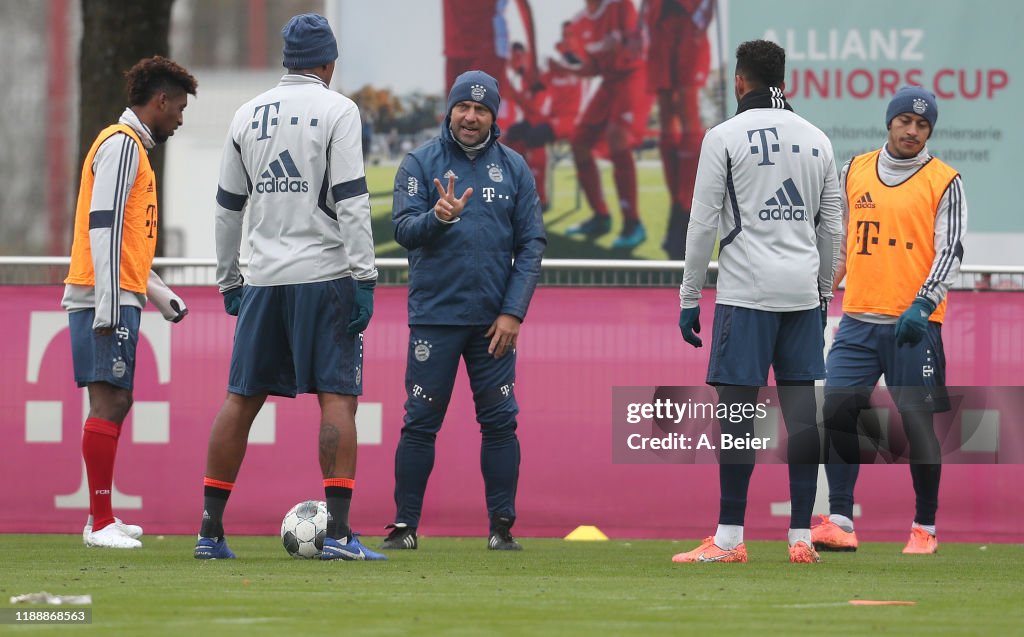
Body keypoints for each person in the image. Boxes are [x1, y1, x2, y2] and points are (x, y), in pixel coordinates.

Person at [194, 13, 384, 561]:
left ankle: (209, 532)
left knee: (239, 401)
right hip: (326, 274)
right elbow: (350, 198)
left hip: (263, 278)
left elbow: (228, 206)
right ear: (328, 63)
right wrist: (366, 277)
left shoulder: (246, 113)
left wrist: (229, 278)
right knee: (337, 399)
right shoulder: (338, 109)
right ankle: (342, 537)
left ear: (287, 60)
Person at [674, 40, 842, 564]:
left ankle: (729, 539)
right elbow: (832, 226)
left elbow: (702, 224)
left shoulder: (723, 136)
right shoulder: (817, 139)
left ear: (740, 82)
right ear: (782, 79)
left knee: (739, 417)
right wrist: (820, 294)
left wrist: (688, 296)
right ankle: (798, 537)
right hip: (801, 296)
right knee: (801, 419)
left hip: (746, 295)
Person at [383, 70, 546, 551]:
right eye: (463, 108)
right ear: (448, 110)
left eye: (481, 110)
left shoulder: (514, 168)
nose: (471, 117)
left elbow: (532, 243)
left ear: (494, 116)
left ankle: (501, 528)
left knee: (500, 423)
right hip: (435, 317)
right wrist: (437, 216)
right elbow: (403, 230)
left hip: (494, 324)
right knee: (419, 422)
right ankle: (404, 526)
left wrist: (513, 312)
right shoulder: (419, 163)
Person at [812, 86, 967, 555]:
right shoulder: (853, 170)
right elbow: (838, 243)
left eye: (923, 126)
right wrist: (821, 293)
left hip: (913, 326)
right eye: (906, 122)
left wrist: (922, 304)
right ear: (890, 122)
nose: (913, 131)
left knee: (917, 426)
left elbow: (951, 250)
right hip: (857, 322)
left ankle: (925, 527)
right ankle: (840, 519)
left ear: (929, 132)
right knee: (838, 413)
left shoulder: (945, 180)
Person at [63, 56, 195, 550]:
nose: (180, 119)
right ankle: (99, 523)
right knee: (111, 398)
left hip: (118, 293)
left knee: (118, 397)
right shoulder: (122, 146)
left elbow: (127, 241)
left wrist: (159, 294)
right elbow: (105, 225)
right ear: (159, 101)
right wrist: (106, 303)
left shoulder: (133, 149)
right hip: (105, 296)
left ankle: (102, 517)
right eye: (179, 108)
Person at [559, 0, 648, 249]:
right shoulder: (579, 22)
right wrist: (566, 68)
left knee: (617, 138)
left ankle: (633, 223)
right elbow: (593, 68)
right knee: (579, 142)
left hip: (633, 76)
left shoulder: (621, 6)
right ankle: (601, 217)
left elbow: (636, 47)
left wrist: (622, 45)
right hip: (609, 83)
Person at [642, 0, 714, 259]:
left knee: (687, 112)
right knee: (665, 119)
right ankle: (678, 207)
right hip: (660, 26)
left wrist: (697, 25)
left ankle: (685, 206)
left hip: (687, 24)